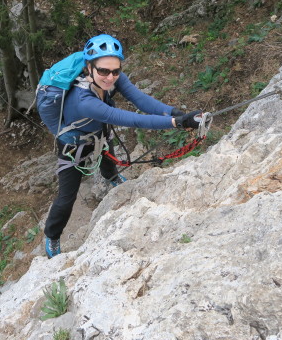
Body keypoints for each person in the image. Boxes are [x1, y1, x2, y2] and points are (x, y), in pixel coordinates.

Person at [44, 34, 201, 258]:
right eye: (104, 71)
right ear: (89, 68)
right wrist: (176, 123)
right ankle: (52, 235)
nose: (110, 77)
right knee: (67, 197)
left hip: (99, 133)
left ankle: (111, 177)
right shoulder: (83, 100)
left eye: (115, 71)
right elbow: (130, 118)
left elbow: (140, 100)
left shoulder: (112, 79)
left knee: (108, 155)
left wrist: (176, 112)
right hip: (74, 147)